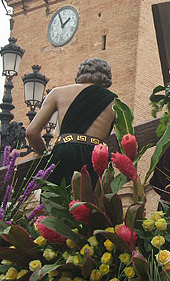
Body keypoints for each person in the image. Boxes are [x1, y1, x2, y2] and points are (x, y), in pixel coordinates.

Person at [26, 58, 118, 187]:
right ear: (106, 78)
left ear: (80, 73)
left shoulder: (57, 93)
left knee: (55, 203)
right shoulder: (115, 101)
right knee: (92, 203)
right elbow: (124, 137)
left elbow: (31, 132)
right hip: (96, 156)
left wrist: (44, 155)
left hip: (63, 152)